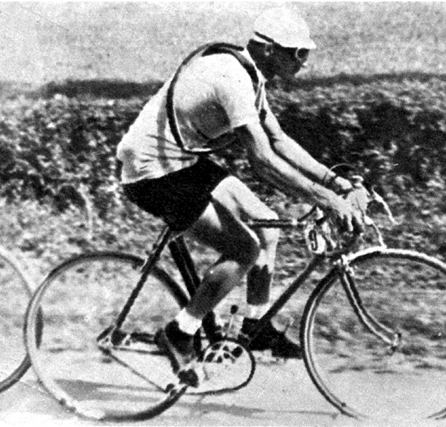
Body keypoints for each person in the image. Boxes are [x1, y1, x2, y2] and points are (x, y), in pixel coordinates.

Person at [116, 7, 364, 377]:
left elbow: (278, 139)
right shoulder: (230, 78)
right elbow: (262, 159)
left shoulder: (251, 76)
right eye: (298, 53)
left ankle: (255, 325)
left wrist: (335, 182)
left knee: (268, 228)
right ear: (268, 49)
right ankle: (180, 332)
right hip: (153, 173)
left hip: (181, 162)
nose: (304, 63)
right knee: (244, 249)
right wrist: (326, 200)